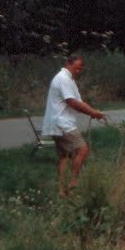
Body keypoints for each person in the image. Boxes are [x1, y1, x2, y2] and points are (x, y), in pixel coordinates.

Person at [41, 53, 105, 196]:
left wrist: (94, 112)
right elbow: (72, 102)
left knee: (64, 156)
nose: (78, 72)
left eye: (80, 69)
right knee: (82, 149)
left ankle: (61, 191)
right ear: (68, 64)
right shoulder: (63, 78)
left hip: (58, 122)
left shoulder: (69, 79)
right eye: (76, 68)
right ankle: (73, 182)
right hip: (62, 123)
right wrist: (92, 113)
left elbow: (79, 102)